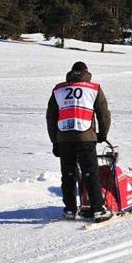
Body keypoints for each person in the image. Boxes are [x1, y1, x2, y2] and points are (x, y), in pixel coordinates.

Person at [46, 61, 113, 223]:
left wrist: (55, 141)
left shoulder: (58, 90)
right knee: (90, 172)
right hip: (85, 136)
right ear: (86, 72)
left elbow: (51, 117)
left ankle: (69, 209)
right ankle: (98, 209)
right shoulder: (93, 89)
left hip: (64, 138)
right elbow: (103, 114)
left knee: (68, 174)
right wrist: (102, 135)